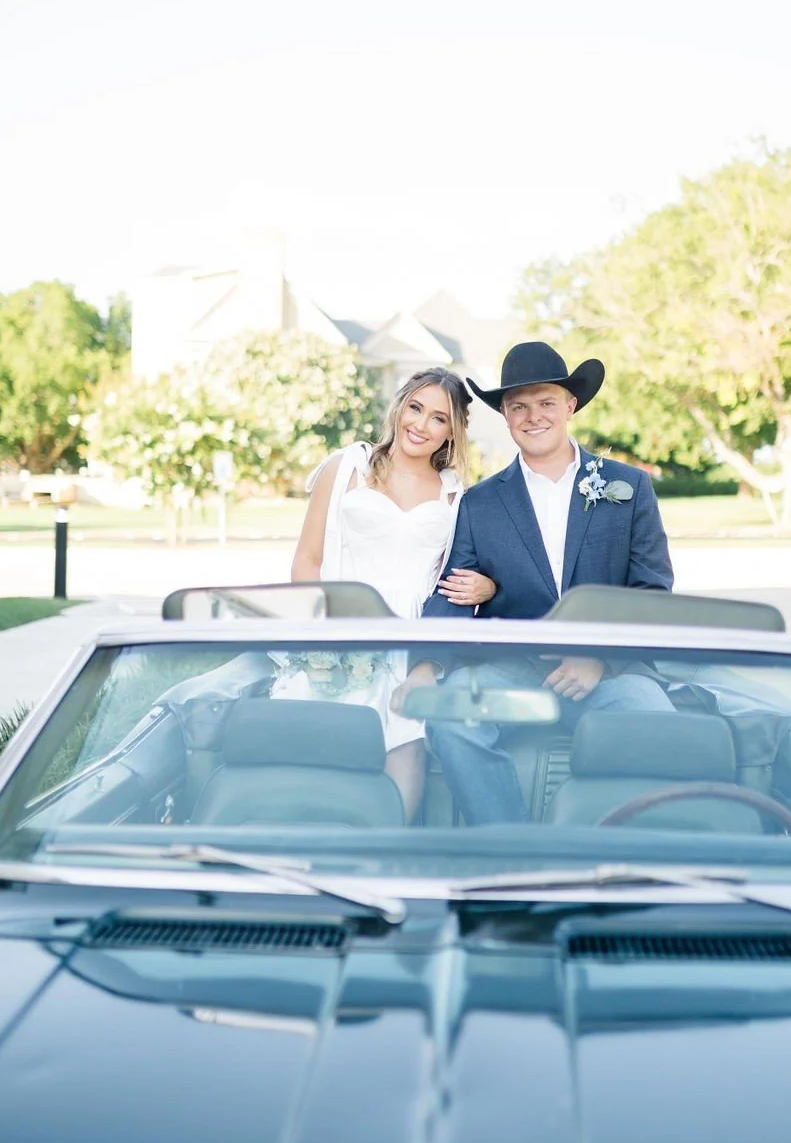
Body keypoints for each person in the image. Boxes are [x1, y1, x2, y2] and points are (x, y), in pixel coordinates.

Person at [392, 341, 675, 825]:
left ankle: (618, 853)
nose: (533, 416)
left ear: (570, 405)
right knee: (451, 718)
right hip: (513, 667)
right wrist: (426, 665)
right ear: (505, 415)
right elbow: (454, 591)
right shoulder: (480, 502)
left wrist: (599, 657)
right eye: (518, 406)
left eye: (546, 402)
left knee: (662, 727)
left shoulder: (629, 487)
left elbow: (652, 593)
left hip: (612, 671)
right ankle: (512, 848)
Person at [289, 367, 497, 819]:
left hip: (410, 638)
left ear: (452, 432)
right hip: (340, 624)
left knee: (404, 748)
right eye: (415, 408)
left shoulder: (455, 495)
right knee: (323, 746)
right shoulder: (347, 468)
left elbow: (465, 570)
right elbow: (307, 559)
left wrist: (488, 586)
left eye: (439, 418)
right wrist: (315, 635)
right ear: (399, 406)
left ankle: (383, 847)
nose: (421, 425)